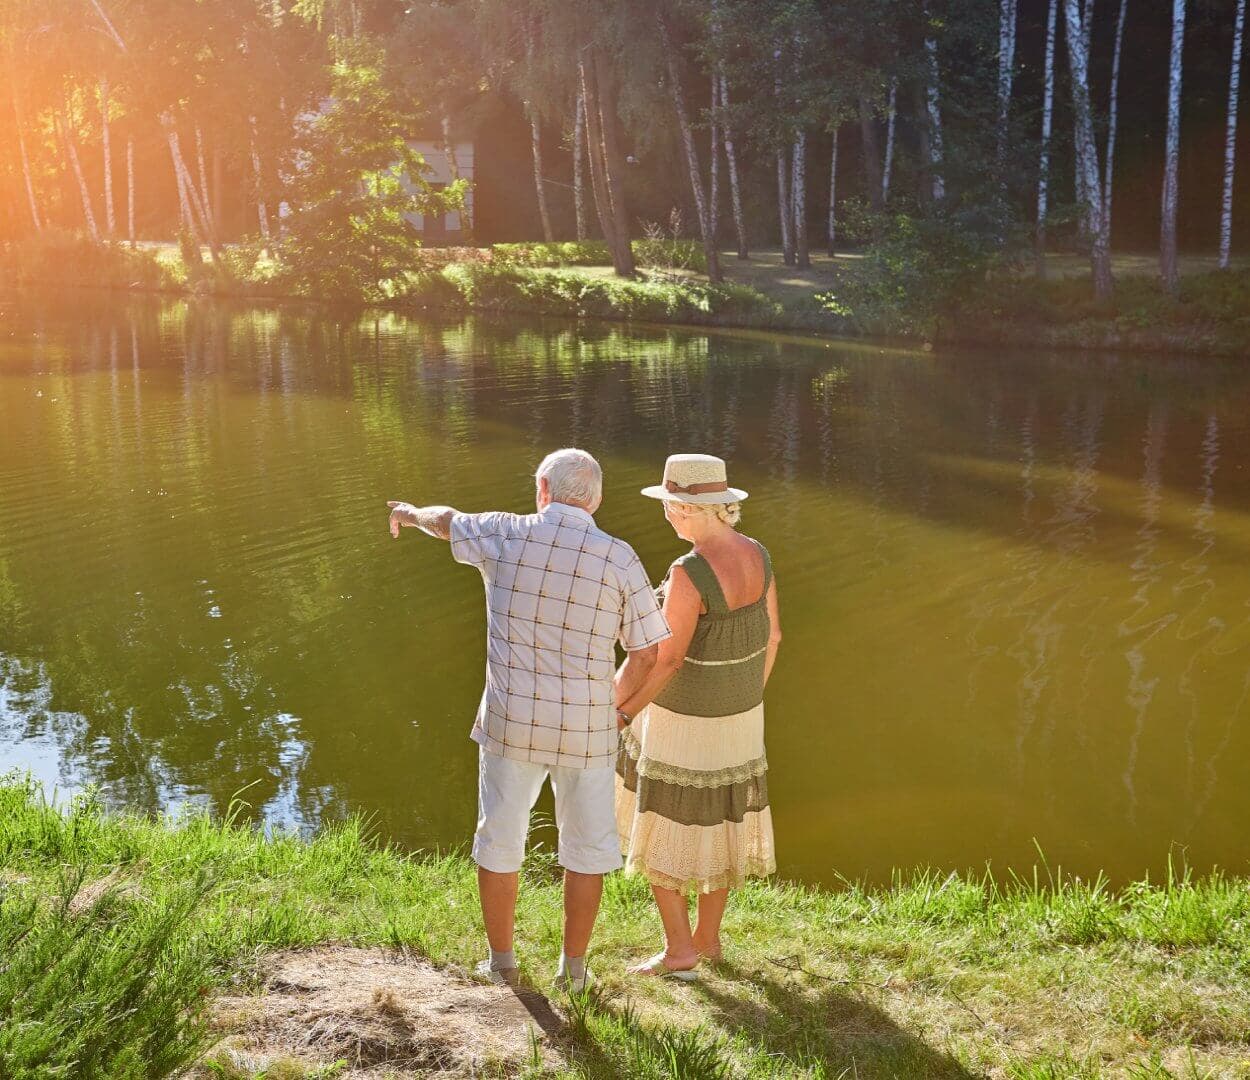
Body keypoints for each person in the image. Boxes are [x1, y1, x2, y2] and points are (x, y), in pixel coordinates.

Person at [387, 448, 670, 992]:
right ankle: (574, 971)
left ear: (542, 488)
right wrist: (611, 708)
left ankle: (501, 963)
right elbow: (648, 653)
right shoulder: (619, 557)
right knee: (586, 851)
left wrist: (409, 512)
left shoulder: (505, 533)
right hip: (586, 730)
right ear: (596, 500)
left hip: (511, 722)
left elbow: (446, 521)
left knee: (499, 839)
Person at [614, 453, 780, 978]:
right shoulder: (759, 555)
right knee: (721, 822)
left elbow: (667, 659)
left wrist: (624, 713)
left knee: (663, 822)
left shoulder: (689, 572)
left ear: (689, 509)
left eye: (669, 506)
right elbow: (774, 637)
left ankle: (679, 950)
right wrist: (742, 698)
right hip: (742, 718)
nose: (667, 515)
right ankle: (708, 941)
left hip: (683, 722)